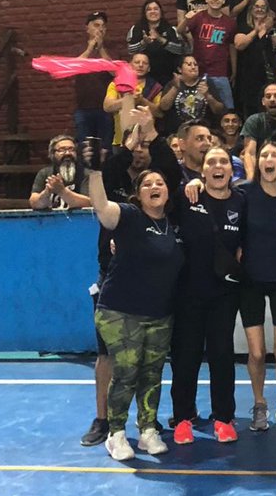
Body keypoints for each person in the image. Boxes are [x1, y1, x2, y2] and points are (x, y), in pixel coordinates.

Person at [85, 160, 185, 462]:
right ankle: (116, 434)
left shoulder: (173, 226)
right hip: (119, 310)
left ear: (168, 192)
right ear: (137, 195)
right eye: (147, 184)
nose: (155, 188)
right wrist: (94, 171)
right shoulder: (129, 216)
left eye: (160, 184)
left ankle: (147, 431)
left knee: (152, 373)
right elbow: (101, 207)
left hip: (159, 313)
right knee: (126, 371)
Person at [170, 147, 244, 446]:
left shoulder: (242, 201)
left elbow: (249, 239)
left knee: (222, 357)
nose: (217, 166)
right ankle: (183, 417)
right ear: (202, 172)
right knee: (185, 358)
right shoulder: (188, 197)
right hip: (187, 292)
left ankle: (223, 418)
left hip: (224, 294)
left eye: (223, 161)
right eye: (211, 162)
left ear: (231, 169)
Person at [240, 141, 276, 431]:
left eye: (275, 154)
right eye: (264, 155)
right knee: (257, 353)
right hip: (250, 279)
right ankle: (260, 403)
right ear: (258, 162)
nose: (269, 159)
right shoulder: (244, 193)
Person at [182, 0, 237, 110]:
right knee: (198, 107)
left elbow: (232, 47)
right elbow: (181, 31)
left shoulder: (230, 23)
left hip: (220, 72)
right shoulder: (198, 17)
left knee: (227, 108)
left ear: (223, 0)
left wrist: (234, 70)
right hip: (199, 72)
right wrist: (186, 19)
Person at [232, 0, 276, 118]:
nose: (259, 9)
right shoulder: (243, 27)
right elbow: (239, 45)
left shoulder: (273, 28)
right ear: (251, 9)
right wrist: (256, 30)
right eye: (256, 6)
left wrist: (269, 30)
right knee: (251, 111)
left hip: (268, 76)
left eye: (263, 7)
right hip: (248, 77)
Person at [73, 10, 116, 148]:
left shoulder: (111, 49)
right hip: (83, 108)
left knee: (105, 148)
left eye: (103, 26)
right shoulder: (78, 48)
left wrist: (101, 48)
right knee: (85, 149)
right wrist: (90, 48)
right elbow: (75, 67)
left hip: (106, 109)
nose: (100, 29)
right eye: (96, 25)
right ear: (87, 28)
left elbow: (114, 72)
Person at [102, 53, 162, 146]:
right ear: (130, 66)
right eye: (137, 62)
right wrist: (128, 99)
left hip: (146, 141)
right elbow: (107, 106)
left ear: (149, 68)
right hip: (120, 140)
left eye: (144, 63)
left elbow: (159, 113)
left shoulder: (155, 87)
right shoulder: (116, 84)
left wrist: (142, 100)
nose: (140, 65)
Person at [125, 0, 186, 86]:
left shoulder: (171, 29)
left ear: (161, 12)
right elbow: (131, 50)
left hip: (168, 76)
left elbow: (179, 49)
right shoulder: (136, 29)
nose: (152, 11)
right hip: (144, 78)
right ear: (144, 13)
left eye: (156, 9)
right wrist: (143, 43)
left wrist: (160, 39)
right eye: (149, 9)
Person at [158, 55, 224, 134]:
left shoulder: (206, 83)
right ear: (180, 69)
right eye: (189, 64)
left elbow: (219, 110)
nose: (193, 67)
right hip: (177, 133)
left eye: (195, 65)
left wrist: (207, 95)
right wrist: (175, 88)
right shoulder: (173, 83)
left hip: (203, 132)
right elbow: (164, 107)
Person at [239, 81, 276, 179]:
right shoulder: (255, 120)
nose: (272, 99)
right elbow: (249, 153)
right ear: (263, 101)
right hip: (262, 172)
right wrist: (251, 179)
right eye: (268, 96)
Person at [29, 135, 90, 210]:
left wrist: (62, 191)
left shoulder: (85, 173)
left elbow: (89, 203)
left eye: (72, 149)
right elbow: (34, 204)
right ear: (52, 154)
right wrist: (47, 192)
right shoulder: (44, 173)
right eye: (62, 150)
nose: (67, 153)